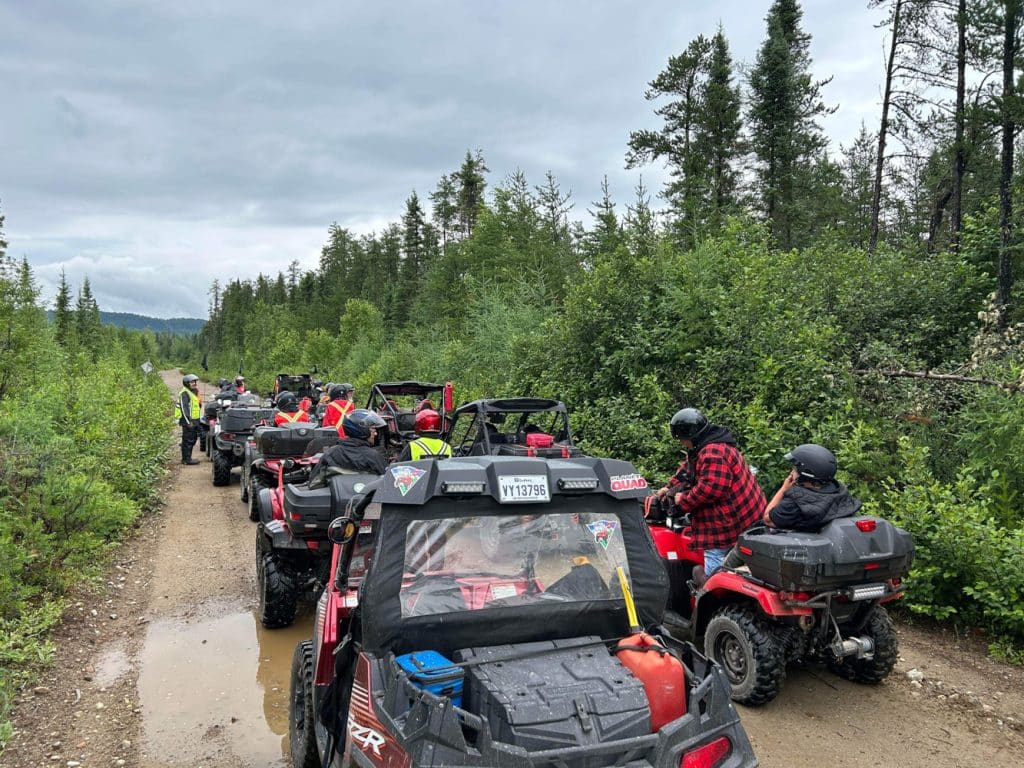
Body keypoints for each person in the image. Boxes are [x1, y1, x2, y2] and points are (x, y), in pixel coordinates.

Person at [656, 407, 765, 581]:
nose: (681, 443)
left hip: (732, 519)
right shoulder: (708, 443)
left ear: (690, 436)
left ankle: (710, 591)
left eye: (682, 440)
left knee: (714, 551)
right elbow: (688, 470)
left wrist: (682, 500)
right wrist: (668, 487)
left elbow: (711, 489)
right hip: (748, 512)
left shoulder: (712, 452)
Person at [762, 444, 861, 531]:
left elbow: (768, 520)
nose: (792, 472)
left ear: (806, 473)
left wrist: (783, 489)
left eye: (795, 469)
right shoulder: (840, 490)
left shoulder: (795, 502)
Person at [310, 409, 388, 484]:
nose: (375, 434)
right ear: (363, 430)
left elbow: (314, 483)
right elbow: (389, 483)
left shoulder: (330, 453)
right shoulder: (373, 456)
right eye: (373, 429)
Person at [175, 373, 202, 465]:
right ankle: (186, 459)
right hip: (188, 421)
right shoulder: (184, 393)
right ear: (187, 383)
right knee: (188, 440)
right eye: (192, 382)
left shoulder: (192, 392)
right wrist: (188, 422)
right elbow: (184, 408)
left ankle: (187, 457)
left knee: (193, 438)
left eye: (195, 381)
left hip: (194, 420)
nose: (194, 383)